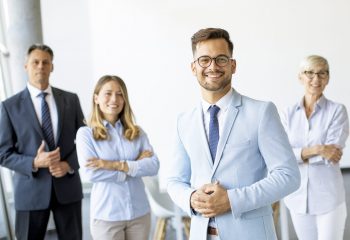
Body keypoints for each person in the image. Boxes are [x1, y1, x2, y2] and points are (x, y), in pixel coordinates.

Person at [166, 28, 300, 240]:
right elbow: (174, 180)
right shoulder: (183, 121)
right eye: (204, 60)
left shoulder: (262, 112)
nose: (212, 66)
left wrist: (232, 199)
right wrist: (191, 197)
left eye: (221, 59)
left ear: (233, 65)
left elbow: (288, 176)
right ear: (193, 67)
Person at [0, 44, 84, 239]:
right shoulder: (9, 107)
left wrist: (68, 165)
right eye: (35, 62)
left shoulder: (70, 100)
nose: (40, 66)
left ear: (52, 67)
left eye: (45, 62)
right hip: (30, 192)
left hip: (68, 189)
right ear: (26, 66)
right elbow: (3, 153)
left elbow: (86, 143)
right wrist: (34, 162)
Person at [76, 75, 159, 240]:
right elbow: (90, 174)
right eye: (108, 93)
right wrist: (134, 165)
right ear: (96, 98)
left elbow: (153, 166)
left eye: (120, 94)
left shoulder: (137, 132)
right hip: (107, 216)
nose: (114, 99)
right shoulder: (86, 134)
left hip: (139, 214)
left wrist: (111, 164)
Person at [281, 55, 348, 240]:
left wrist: (298, 154)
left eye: (322, 73)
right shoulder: (288, 114)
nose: (316, 79)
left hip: (329, 198)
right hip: (297, 197)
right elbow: (283, 155)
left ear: (328, 78)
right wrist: (318, 149)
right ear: (300, 77)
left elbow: (333, 154)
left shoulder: (337, 111)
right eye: (309, 73)